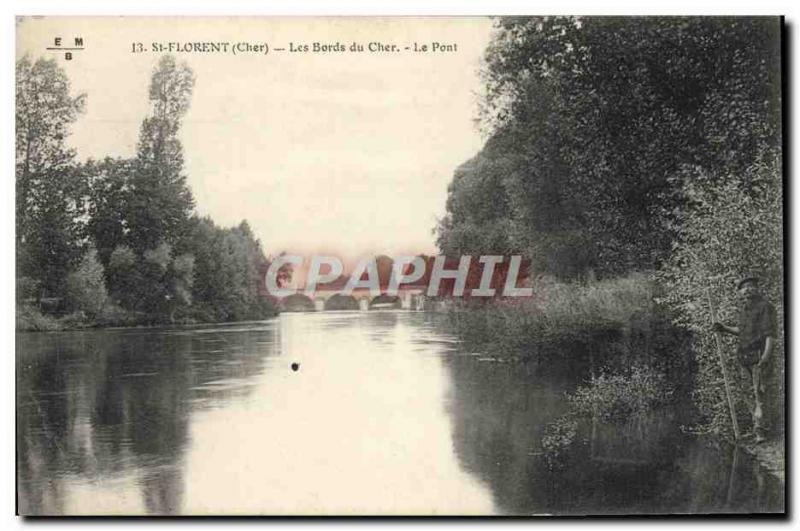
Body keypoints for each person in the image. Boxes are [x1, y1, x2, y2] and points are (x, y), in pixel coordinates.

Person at [713, 275, 778, 443]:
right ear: (741, 292)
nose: (747, 289)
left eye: (751, 286)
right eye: (744, 287)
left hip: (759, 356)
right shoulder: (744, 309)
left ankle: (761, 431)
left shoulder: (765, 307)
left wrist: (765, 356)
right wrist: (724, 328)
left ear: (757, 288)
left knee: (760, 392)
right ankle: (758, 426)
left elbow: (771, 335)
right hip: (744, 357)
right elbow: (741, 332)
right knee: (748, 392)